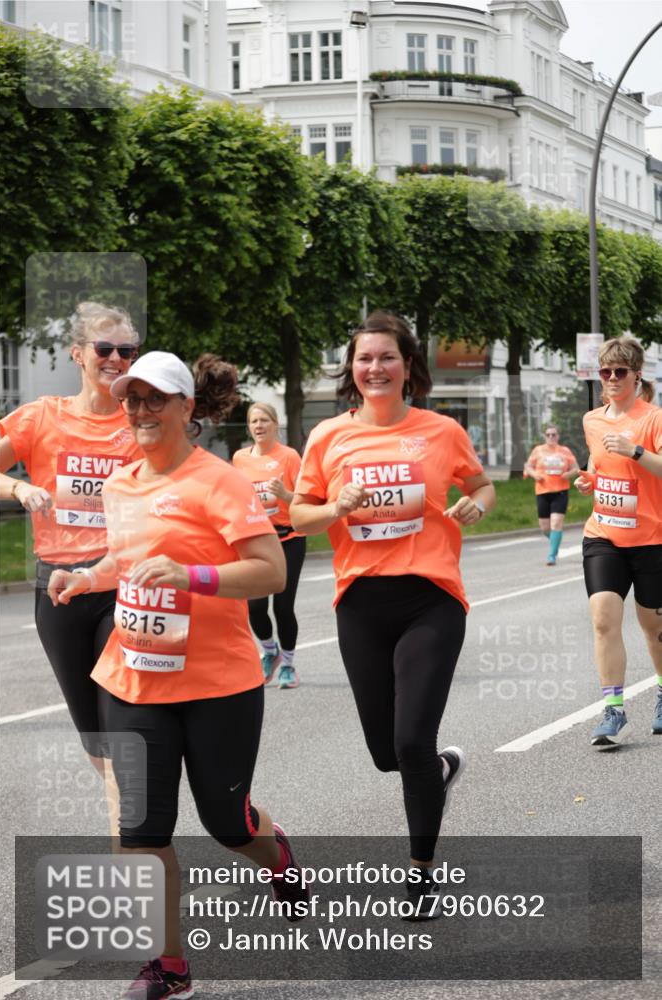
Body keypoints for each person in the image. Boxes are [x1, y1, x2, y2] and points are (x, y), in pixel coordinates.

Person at [47, 352, 308, 1000]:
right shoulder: (120, 484)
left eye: (152, 399)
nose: (138, 410)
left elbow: (269, 570)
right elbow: (125, 557)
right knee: (140, 832)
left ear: (186, 407)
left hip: (219, 683)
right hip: (134, 677)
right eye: (131, 399)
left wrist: (194, 576)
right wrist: (86, 577)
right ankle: (169, 966)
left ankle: (279, 859)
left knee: (227, 823)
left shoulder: (219, 483)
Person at [290, 311, 495, 917]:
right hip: (360, 602)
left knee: (410, 740)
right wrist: (334, 507)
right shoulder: (329, 437)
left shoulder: (439, 431)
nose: (374, 367)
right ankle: (438, 769)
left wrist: (476, 506)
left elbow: (481, 485)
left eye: (386, 357)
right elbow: (299, 517)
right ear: (352, 371)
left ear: (408, 367)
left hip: (430, 597)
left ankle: (422, 877)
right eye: (364, 359)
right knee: (387, 753)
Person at [0, 302, 141, 824]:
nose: (117, 359)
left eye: (127, 350)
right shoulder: (43, 417)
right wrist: (17, 485)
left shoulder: (141, 419)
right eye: (105, 349)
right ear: (78, 354)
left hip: (120, 588)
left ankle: (136, 869)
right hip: (56, 590)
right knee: (98, 745)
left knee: (122, 736)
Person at [575, 337, 662, 747]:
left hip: (652, 538)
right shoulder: (593, 420)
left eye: (619, 372)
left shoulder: (654, 419)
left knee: (653, 626)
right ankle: (613, 711)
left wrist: (635, 451)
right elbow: (596, 459)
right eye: (605, 371)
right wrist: (588, 479)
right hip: (604, 534)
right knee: (604, 618)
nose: (610, 378)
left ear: (636, 375)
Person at [232, 403, 306, 689]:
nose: (259, 426)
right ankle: (270, 651)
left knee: (283, 607)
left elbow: (304, 500)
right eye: (254, 421)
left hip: (289, 539)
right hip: (257, 540)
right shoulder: (239, 458)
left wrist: (284, 494)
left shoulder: (289, 457)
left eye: (264, 420)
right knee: (255, 606)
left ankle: (288, 664)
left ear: (276, 424)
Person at [524, 426, 579, 565]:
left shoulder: (565, 451)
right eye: (548, 435)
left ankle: (552, 556)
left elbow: (575, 468)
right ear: (545, 436)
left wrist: (568, 474)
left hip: (560, 491)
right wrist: (534, 474)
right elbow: (528, 466)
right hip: (542, 491)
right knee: (545, 528)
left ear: (558, 436)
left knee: (556, 523)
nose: (551, 437)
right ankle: (555, 541)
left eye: (554, 434)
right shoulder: (538, 450)